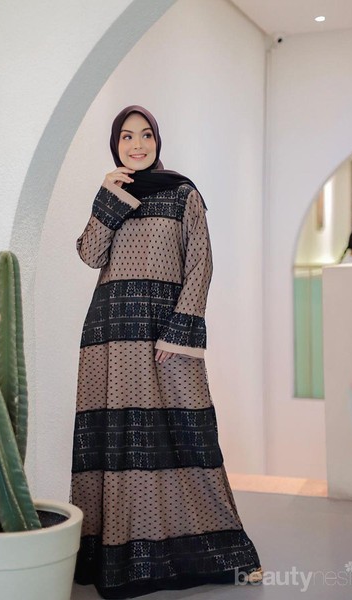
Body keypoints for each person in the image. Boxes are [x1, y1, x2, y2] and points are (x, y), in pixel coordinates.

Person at [71, 105, 262, 599]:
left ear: (158, 140)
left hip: (165, 334)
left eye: (145, 135)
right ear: (115, 144)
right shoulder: (113, 195)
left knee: (187, 435)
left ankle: (219, 551)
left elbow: (200, 263)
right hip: (111, 335)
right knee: (121, 443)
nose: (137, 145)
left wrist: (179, 330)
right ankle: (124, 560)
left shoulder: (182, 194)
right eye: (126, 137)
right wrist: (108, 200)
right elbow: (90, 254)